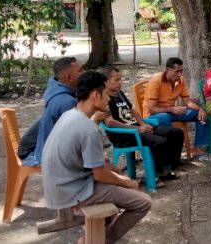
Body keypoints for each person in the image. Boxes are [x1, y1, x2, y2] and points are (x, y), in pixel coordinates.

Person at [42, 71, 152, 244]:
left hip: (61, 185)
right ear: (95, 95)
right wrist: (126, 182)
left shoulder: (70, 115)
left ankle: (94, 237)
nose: (109, 100)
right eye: (107, 95)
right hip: (72, 191)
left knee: (115, 181)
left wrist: (111, 170)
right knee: (143, 202)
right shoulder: (88, 129)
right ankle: (104, 240)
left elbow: (93, 164)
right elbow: (100, 175)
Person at [93, 66, 184, 183]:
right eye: (116, 80)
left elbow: (133, 111)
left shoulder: (119, 93)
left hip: (137, 128)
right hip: (124, 135)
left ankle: (169, 167)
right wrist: (137, 128)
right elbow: (110, 122)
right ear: (106, 81)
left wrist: (142, 124)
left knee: (176, 133)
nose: (120, 82)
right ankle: (153, 175)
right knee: (160, 141)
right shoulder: (104, 98)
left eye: (120, 79)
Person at [22, 56, 83, 166]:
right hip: (38, 153)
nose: (84, 73)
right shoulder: (66, 102)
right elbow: (76, 137)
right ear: (69, 78)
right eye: (80, 71)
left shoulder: (54, 88)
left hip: (35, 145)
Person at [145, 57, 210, 158]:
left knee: (201, 114)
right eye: (177, 71)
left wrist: (200, 109)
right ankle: (170, 153)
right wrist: (171, 109)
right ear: (167, 70)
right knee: (165, 117)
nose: (180, 74)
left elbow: (187, 101)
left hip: (171, 111)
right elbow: (151, 109)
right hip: (154, 114)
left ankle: (198, 148)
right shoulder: (156, 81)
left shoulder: (180, 80)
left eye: (181, 71)